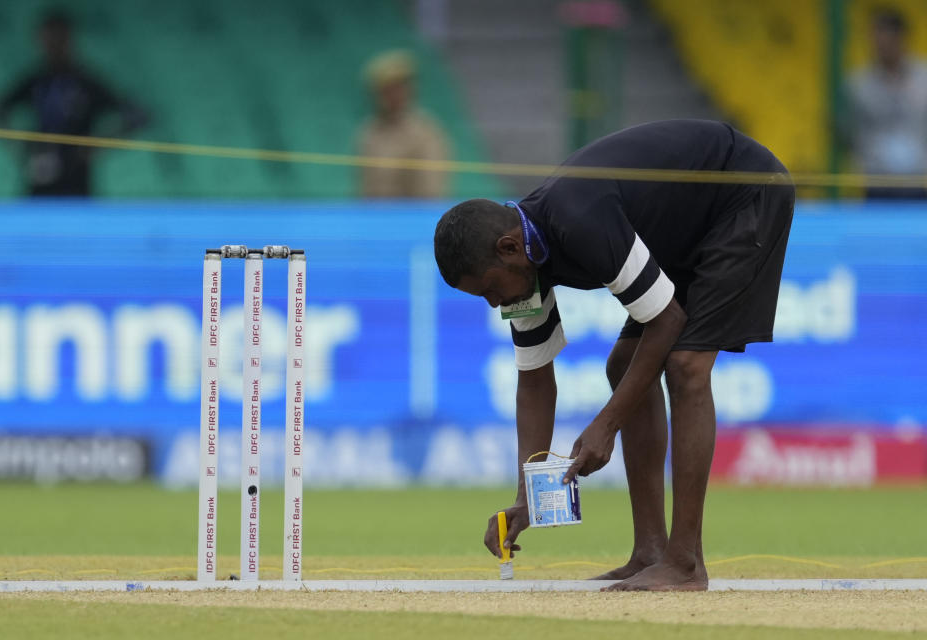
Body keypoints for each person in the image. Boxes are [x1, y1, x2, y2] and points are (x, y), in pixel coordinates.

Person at [433, 120, 794, 591]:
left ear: (508, 248)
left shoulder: (577, 217)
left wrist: (606, 424)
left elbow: (668, 321)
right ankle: (650, 551)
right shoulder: (520, 262)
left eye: (489, 290)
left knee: (686, 366)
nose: (494, 304)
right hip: (685, 227)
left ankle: (685, 562)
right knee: (624, 365)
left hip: (743, 192)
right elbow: (534, 380)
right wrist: (527, 492)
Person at [0, 9, 148, 196]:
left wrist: (97, 146)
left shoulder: (87, 82)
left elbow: (137, 116)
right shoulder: (36, 80)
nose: (53, 46)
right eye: (48, 40)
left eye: (59, 39)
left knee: (76, 221)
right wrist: (21, 147)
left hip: (77, 180)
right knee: (36, 223)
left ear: (70, 39)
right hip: (40, 176)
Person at [844, 8, 927, 199]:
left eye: (887, 39)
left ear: (901, 39)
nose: (881, 46)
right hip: (877, 182)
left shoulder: (924, 78)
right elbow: (851, 134)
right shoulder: (859, 85)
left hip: (919, 181)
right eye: (876, 39)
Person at [357, 50, 450, 198]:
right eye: (387, 89)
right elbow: (365, 188)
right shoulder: (369, 131)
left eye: (400, 87)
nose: (394, 94)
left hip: (409, 218)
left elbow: (429, 192)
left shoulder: (425, 131)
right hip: (375, 217)